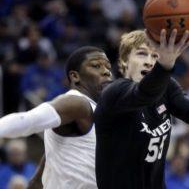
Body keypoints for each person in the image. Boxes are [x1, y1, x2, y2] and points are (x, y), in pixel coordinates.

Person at [94, 29, 189, 189]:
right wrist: (164, 64)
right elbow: (144, 94)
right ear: (124, 61)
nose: (149, 61)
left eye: (154, 55)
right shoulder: (113, 92)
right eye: (141, 54)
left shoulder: (167, 88)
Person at [0, 46, 112, 189]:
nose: (106, 71)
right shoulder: (76, 102)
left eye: (108, 66)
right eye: (96, 66)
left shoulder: (97, 110)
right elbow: (28, 120)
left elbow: (46, 166)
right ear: (75, 76)